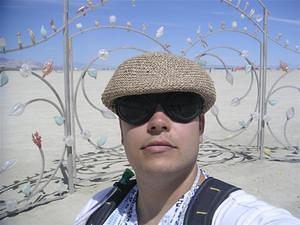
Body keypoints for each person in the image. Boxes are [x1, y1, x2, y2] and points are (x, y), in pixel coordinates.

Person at [74, 52, 300, 225]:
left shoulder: (241, 216)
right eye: (135, 108)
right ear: (121, 130)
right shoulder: (99, 207)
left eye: (180, 106)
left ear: (200, 126)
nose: (158, 122)